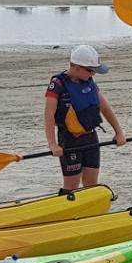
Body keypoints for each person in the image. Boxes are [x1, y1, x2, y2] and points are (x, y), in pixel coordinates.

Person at [45, 45, 124, 191]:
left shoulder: (89, 81)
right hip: (69, 141)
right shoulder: (58, 84)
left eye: (94, 70)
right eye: (90, 70)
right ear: (76, 67)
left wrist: (118, 132)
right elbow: (48, 115)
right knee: (72, 186)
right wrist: (52, 144)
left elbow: (105, 107)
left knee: (91, 184)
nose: (93, 74)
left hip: (91, 138)